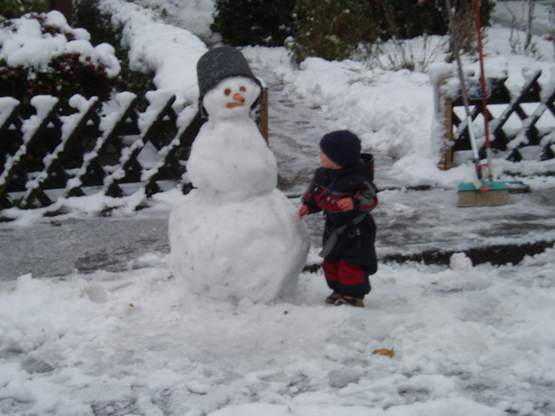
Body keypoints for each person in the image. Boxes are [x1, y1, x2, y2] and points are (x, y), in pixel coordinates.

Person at [298, 130, 378, 307]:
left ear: (339, 159)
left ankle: (353, 295)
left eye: (324, 153)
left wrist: (354, 202)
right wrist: (308, 206)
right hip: (334, 226)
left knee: (351, 263)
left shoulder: (358, 179)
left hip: (356, 231)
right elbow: (315, 193)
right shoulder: (323, 174)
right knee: (331, 261)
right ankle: (339, 290)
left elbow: (370, 198)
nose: (320, 156)